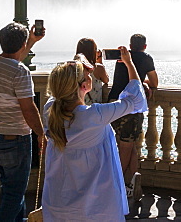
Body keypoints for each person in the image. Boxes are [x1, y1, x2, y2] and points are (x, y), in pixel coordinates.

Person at [42, 48, 147, 220]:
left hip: (59, 203)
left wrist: (78, 63)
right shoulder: (94, 116)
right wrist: (129, 63)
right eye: (86, 74)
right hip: (95, 207)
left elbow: (61, 91)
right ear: (84, 86)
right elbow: (135, 100)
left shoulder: (50, 111)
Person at [0, 22, 46, 222]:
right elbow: (28, 108)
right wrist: (41, 134)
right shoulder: (20, 72)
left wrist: (31, 41)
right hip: (14, 139)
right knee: (14, 193)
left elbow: (14, 54)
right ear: (21, 45)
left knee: (9, 186)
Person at [108, 33, 157, 193]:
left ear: (130, 45)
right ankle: (119, 185)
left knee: (130, 145)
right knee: (126, 146)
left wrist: (140, 81)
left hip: (113, 102)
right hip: (130, 106)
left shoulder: (121, 57)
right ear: (144, 46)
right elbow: (154, 82)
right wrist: (144, 82)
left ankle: (133, 181)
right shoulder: (145, 58)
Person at [75, 38, 110, 105]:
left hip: (76, 108)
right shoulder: (98, 68)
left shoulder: (72, 67)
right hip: (93, 109)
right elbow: (106, 80)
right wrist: (100, 61)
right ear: (92, 51)